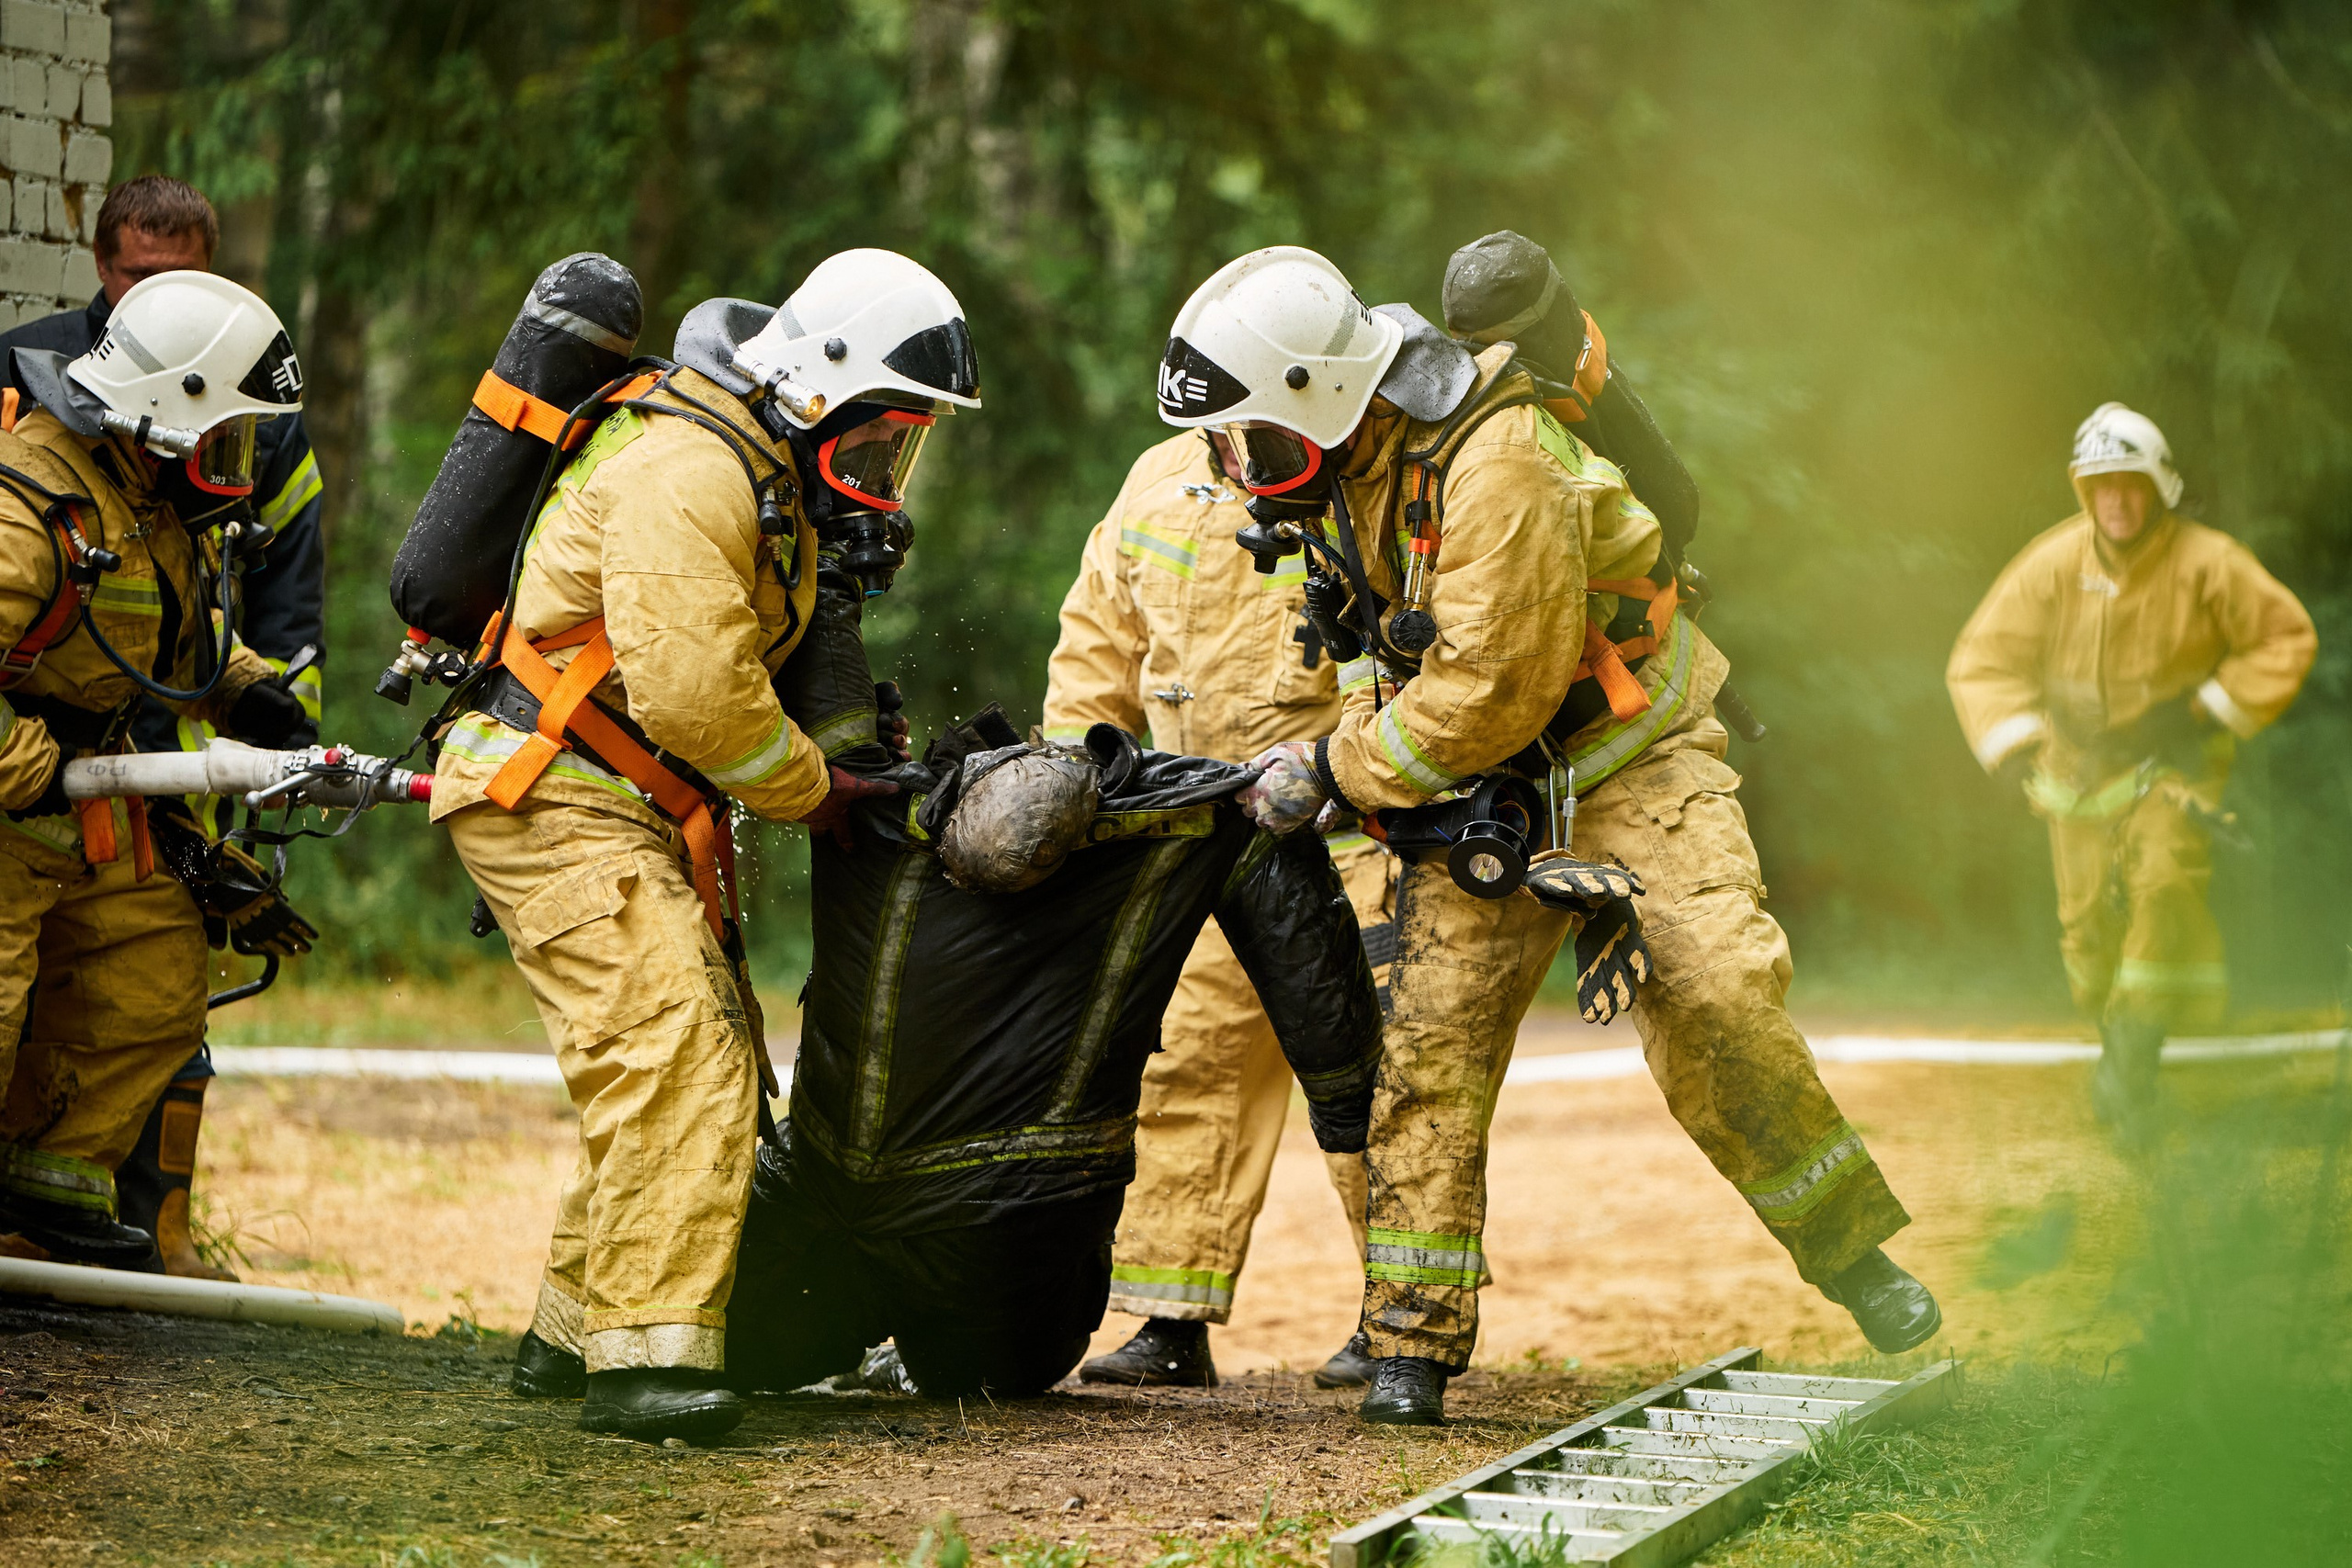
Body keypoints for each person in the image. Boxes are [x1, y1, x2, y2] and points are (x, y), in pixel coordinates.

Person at [1155, 245, 1940, 1425]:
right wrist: (1356, 759)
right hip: (1479, 788)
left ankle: (1850, 1255)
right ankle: (1410, 1346)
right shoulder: (1348, 471)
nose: (1241, 470)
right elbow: (1394, 654)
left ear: (1319, 396)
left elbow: (1490, 689)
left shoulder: (1499, 460)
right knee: (1426, 1050)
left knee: (1718, 996)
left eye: (1252, 441)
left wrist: (1329, 771)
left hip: (1622, 758)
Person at [437, 250, 977, 1443]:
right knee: (678, 1050)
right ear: (820, 391)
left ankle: (574, 1343)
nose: (888, 472)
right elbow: (693, 697)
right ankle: (647, 1372)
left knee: (678, 1050)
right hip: (555, 784)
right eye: (883, 439)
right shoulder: (693, 465)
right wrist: (812, 788)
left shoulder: (762, 471)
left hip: (609, 790)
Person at [722, 719, 1382, 1399]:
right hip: (1004, 1263)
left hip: (825, 1218)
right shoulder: (1198, 816)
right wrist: (1346, 1103)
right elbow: (1292, 909)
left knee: (731, 1345)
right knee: (976, 1373)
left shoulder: (854, 804)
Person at [1042, 428, 1393, 1391]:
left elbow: (1397, 649)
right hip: (1201, 843)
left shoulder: (1346, 479)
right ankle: (1170, 1320)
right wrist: (1082, 793)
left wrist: (1358, 773)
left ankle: (1405, 1318)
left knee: (1374, 1077)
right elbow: (1095, 650)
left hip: (1348, 837)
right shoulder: (1153, 479)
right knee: (1188, 1062)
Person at [0, 271, 311, 1267]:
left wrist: (243, 687)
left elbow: (162, 629)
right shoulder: (29, 503)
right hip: (17, 802)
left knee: (152, 973)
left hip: (80, 807)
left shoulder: (139, 498)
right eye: (230, 435)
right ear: (166, 410)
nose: (238, 464)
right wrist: (25, 764)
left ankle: (47, 1183)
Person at [1947, 403, 2314, 1137]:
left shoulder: (2208, 563)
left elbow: (2284, 635)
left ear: (2159, 487)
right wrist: (2018, 745)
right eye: (2100, 485)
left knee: (2165, 880)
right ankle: (2118, 1038)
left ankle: (2131, 1063)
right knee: (2085, 928)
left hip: (2170, 766)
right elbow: (1983, 659)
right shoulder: (2053, 562)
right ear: (2085, 493)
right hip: (2075, 775)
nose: (2116, 500)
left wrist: (2201, 708)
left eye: (2130, 483)